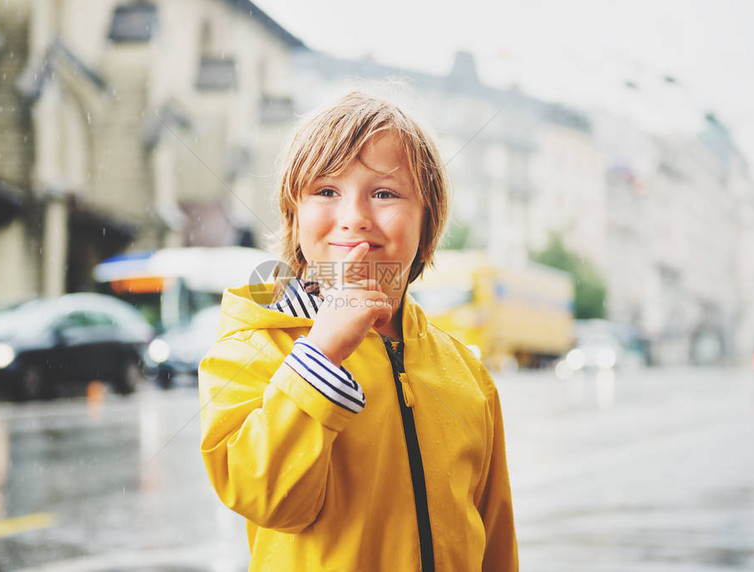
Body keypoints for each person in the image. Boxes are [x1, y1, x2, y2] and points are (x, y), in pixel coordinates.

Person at [198, 91, 518, 571]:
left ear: (427, 219)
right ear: (295, 215)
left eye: (385, 193)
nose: (354, 218)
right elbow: (265, 496)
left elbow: (495, 542)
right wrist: (321, 355)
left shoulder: (466, 374)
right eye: (326, 192)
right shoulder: (252, 348)